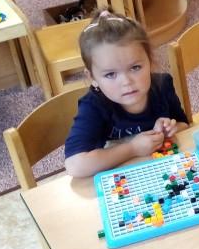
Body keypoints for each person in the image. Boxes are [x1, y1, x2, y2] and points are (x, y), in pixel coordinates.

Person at [64, 10, 189, 178]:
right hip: (120, 181)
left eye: (135, 67)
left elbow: (184, 125)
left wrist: (168, 131)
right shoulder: (94, 106)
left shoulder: (163, 85)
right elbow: (75, 165)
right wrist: (133, 148)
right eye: (110, 74)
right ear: (92, 78)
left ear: (150, 62)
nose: (126, 82)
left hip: (162, 173)